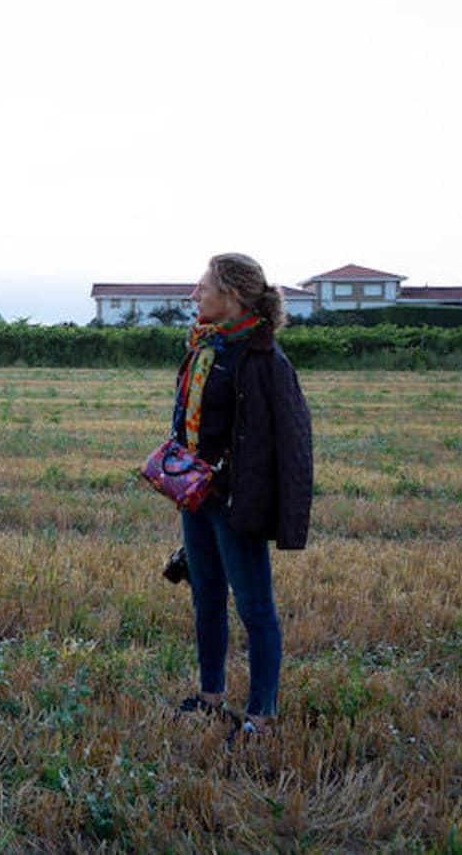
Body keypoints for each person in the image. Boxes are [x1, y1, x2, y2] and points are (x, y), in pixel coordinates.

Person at [171, 253, 313, 740]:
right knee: (207, 599)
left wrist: (276, 513)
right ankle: (211, 698)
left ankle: (261, 717)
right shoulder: (205, 346)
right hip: (198, 497)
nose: (194, 295)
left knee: (255, 610)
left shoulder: (264, 359)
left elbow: (292, 443)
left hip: (237, 502)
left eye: (202, 286)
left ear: (230, 295)